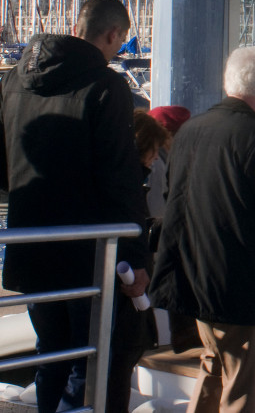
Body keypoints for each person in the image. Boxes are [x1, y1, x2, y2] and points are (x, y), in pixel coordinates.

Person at [0, 0, 151, 413]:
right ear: (113, 36)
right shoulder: (106, 86)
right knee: (89, 360)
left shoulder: (14, 78)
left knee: (50, 355)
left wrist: (33, 191)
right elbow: (119, 180)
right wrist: (136, 255)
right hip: (88, 251)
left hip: (32, 244)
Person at [150, 46, 255, 413]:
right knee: (246, 388)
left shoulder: (189, 131)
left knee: (214, 367)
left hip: (195, 273)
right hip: (243, 281)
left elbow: (172, 195)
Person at [106, 110, 169, 413]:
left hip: (117, 283)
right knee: (121, 361)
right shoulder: (130, 185)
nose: (157, 159)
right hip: (127, 285)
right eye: (155, 152)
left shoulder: (115, 177)